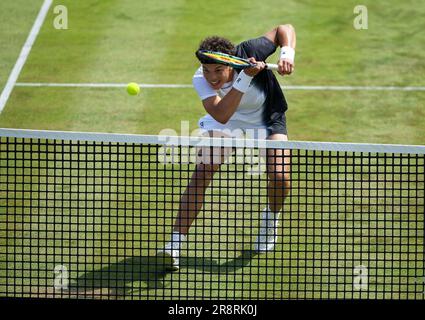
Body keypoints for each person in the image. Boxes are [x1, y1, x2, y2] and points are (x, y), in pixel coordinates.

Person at [158, 25, 296, 270]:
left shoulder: (251, 50)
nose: (211, 77)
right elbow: (222, 114)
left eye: (219, 70)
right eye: (207, 69)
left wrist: (286, 53)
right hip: (227, 117)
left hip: (267, 116)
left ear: (231, 63)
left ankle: (270, 219)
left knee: (280, 177)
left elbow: (283, 29)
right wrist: (245, 77)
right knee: (203, 172)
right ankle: (174, 244)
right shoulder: (200, 79)